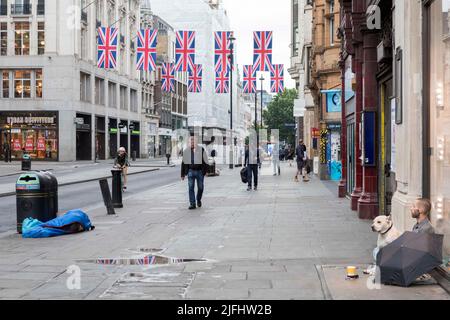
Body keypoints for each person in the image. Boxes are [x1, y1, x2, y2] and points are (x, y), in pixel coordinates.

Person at [181, 136, 209, 210]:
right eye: (191, 142)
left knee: (200, 188)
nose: (192, 143)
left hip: (200, 171)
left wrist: (206, 171)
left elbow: (205, 160)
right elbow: (183, 163)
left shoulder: (201, 149)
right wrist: (182, 174)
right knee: (191, 188)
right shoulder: (186, 151)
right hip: (190, 171)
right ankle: (192, 203)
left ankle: (198, 199)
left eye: (194, 141)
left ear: (196, 142)